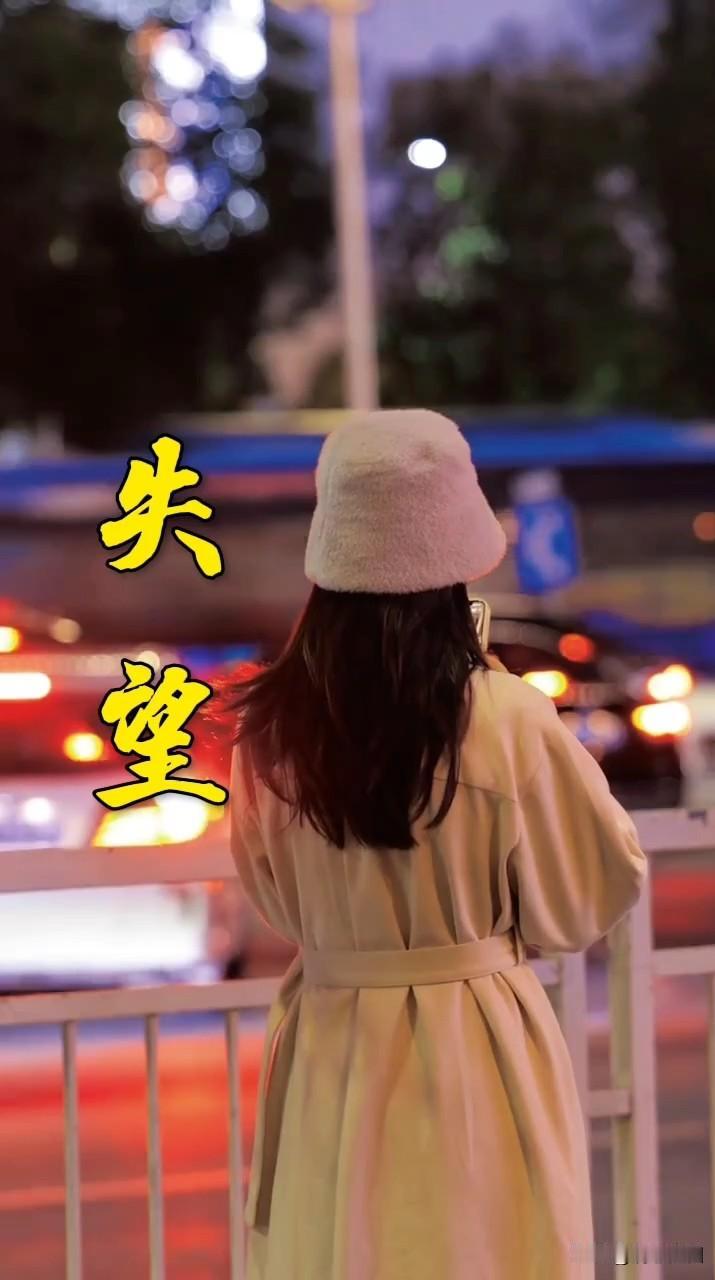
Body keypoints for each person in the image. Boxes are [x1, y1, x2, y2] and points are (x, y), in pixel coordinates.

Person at [229, 409, 646, 1280]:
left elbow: (271, 897)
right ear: (457, 566)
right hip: (475, 1038)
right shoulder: (505, 717)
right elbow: (588, 892)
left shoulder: (272, 727)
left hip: (330, 1041)